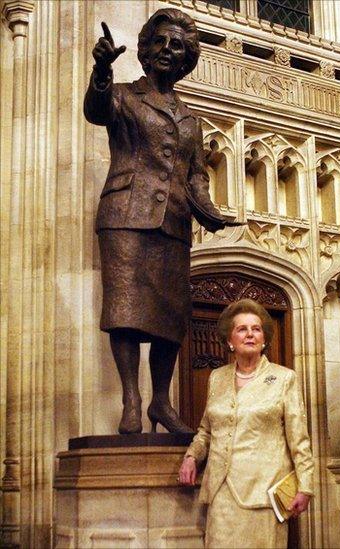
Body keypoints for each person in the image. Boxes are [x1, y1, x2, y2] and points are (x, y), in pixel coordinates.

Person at [83, 9, 236, 435]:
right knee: (125, 311)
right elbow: (96, 111)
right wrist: (101, 69)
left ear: (187, 59)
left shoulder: (191, 119)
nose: (170, 50)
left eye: (179, 46)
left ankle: (161, 403)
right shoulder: (123, 95)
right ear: (147, 51)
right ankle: (131, 400)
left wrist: (209, 209)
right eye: (162, 43)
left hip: (174, 223)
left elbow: (195, 174)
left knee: (171, 315)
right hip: (125, 217)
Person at [179, 299, 314, 549]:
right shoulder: (216, 378)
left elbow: (299, 439)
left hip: (263, 492)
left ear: (264, 339)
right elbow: (206, 431)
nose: (250, 334)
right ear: (230, 340)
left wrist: (305, 487)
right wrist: (191, 457)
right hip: (221, 492)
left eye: (256, 329)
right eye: (242, 329)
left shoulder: (284, 378)